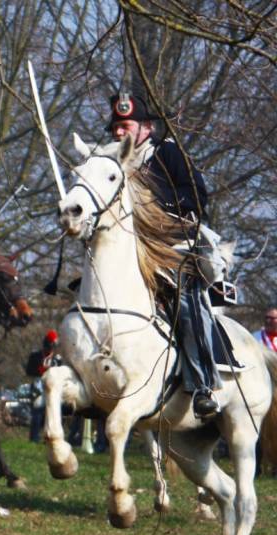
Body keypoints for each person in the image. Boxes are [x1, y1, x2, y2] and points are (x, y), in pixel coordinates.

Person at [106, 92, 218, 418]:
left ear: (145, 127)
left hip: (171, 248)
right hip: (128, 250)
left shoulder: (167, 153)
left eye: (124, 125)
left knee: (186, 303)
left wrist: (153, 205)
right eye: (114, 126)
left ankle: (202, 386)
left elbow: (196, 194)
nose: (117, 132)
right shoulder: (111, 162)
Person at [25, 330, 62, 443]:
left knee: (51, 412)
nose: (50, 349)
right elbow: (28, 371)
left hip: (52, 386)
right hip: (39, 384)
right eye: (49, 346)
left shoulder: (57, 359)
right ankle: (34, 437)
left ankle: (49, 436)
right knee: (37, 410)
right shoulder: (35, 356)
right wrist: (39, 371)